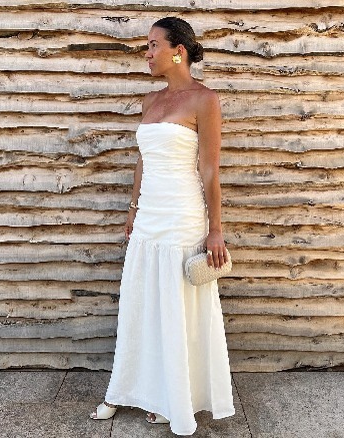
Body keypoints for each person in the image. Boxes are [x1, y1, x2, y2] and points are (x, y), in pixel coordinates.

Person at [89, 17, 234, 435]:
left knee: (175, 307)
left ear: (178, 51)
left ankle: (174, 397)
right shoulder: (149, 101)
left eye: (153, 45)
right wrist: (132, 207)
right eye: (146, 47)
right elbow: (142, 159)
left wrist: (216, 228)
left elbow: (210, 171)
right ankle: (130, 389)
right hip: (149, 213)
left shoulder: (204, 100)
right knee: (140, 301)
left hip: (182, 215)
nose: (147, 54)